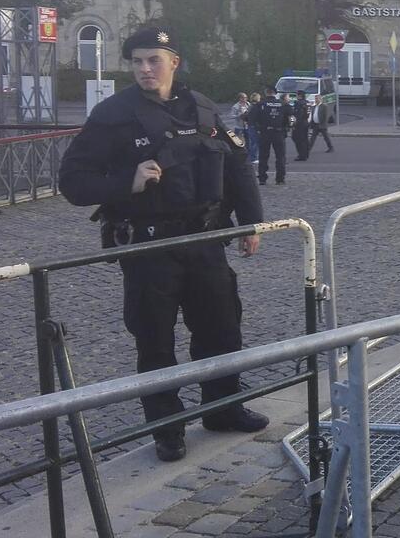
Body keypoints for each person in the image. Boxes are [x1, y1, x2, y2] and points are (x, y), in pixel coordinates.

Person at [58, 25, 267, 463]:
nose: (144, 69)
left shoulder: (202, 109)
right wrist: (125, 183)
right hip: (148, 247)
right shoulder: (112, 115)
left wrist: (250, 224)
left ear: (175, 62)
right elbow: (73, 183)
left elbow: (238, 167)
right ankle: (166, 428)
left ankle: (223, 408)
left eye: (154, 60)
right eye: (137, 61)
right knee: (154, 341)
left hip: (207, 239)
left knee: (221, 329)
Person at [252, 87, 292, 184]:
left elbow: (251, 118)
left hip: (265, 133)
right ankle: (280, 179)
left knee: (263, 156)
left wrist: (258, 128)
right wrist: (286, 127)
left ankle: (262, 179)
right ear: (275, 93)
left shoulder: (260, 104)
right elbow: (291, 117)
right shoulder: (283, 104)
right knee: (280, 156)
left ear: (266, 93)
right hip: (279, 133)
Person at [290, 90, 311, 161]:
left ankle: (301, 155)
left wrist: (292, 124)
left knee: (297, 139)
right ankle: (306, 154)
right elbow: (308, 114)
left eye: (297, 95)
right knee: (305, 139)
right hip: (306, 122)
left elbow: (295, 115)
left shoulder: (298, 103)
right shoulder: (307, 102)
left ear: (299, 96)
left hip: (299, 124)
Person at [246, 92, 261, 164]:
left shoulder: (250, 106)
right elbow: (256, 118)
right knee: (255, 142)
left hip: (250, 125)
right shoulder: (256, 107)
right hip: (254, 126)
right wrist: (258, 128)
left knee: (252, 142)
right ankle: (253, 158)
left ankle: (251, 157)